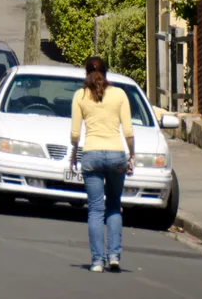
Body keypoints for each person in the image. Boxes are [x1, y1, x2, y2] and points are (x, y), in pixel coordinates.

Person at [69, 54, 135, 273]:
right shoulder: (119, 94)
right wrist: (132, 154)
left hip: (92, 155)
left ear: (86, 74)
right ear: (106, 73)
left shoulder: (80, 96)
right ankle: (114, 255)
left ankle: (98, 261)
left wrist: (73, 156)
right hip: (116, 154)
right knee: (114, 204)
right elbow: (127, 131)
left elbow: (75, 134)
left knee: (95, 209)